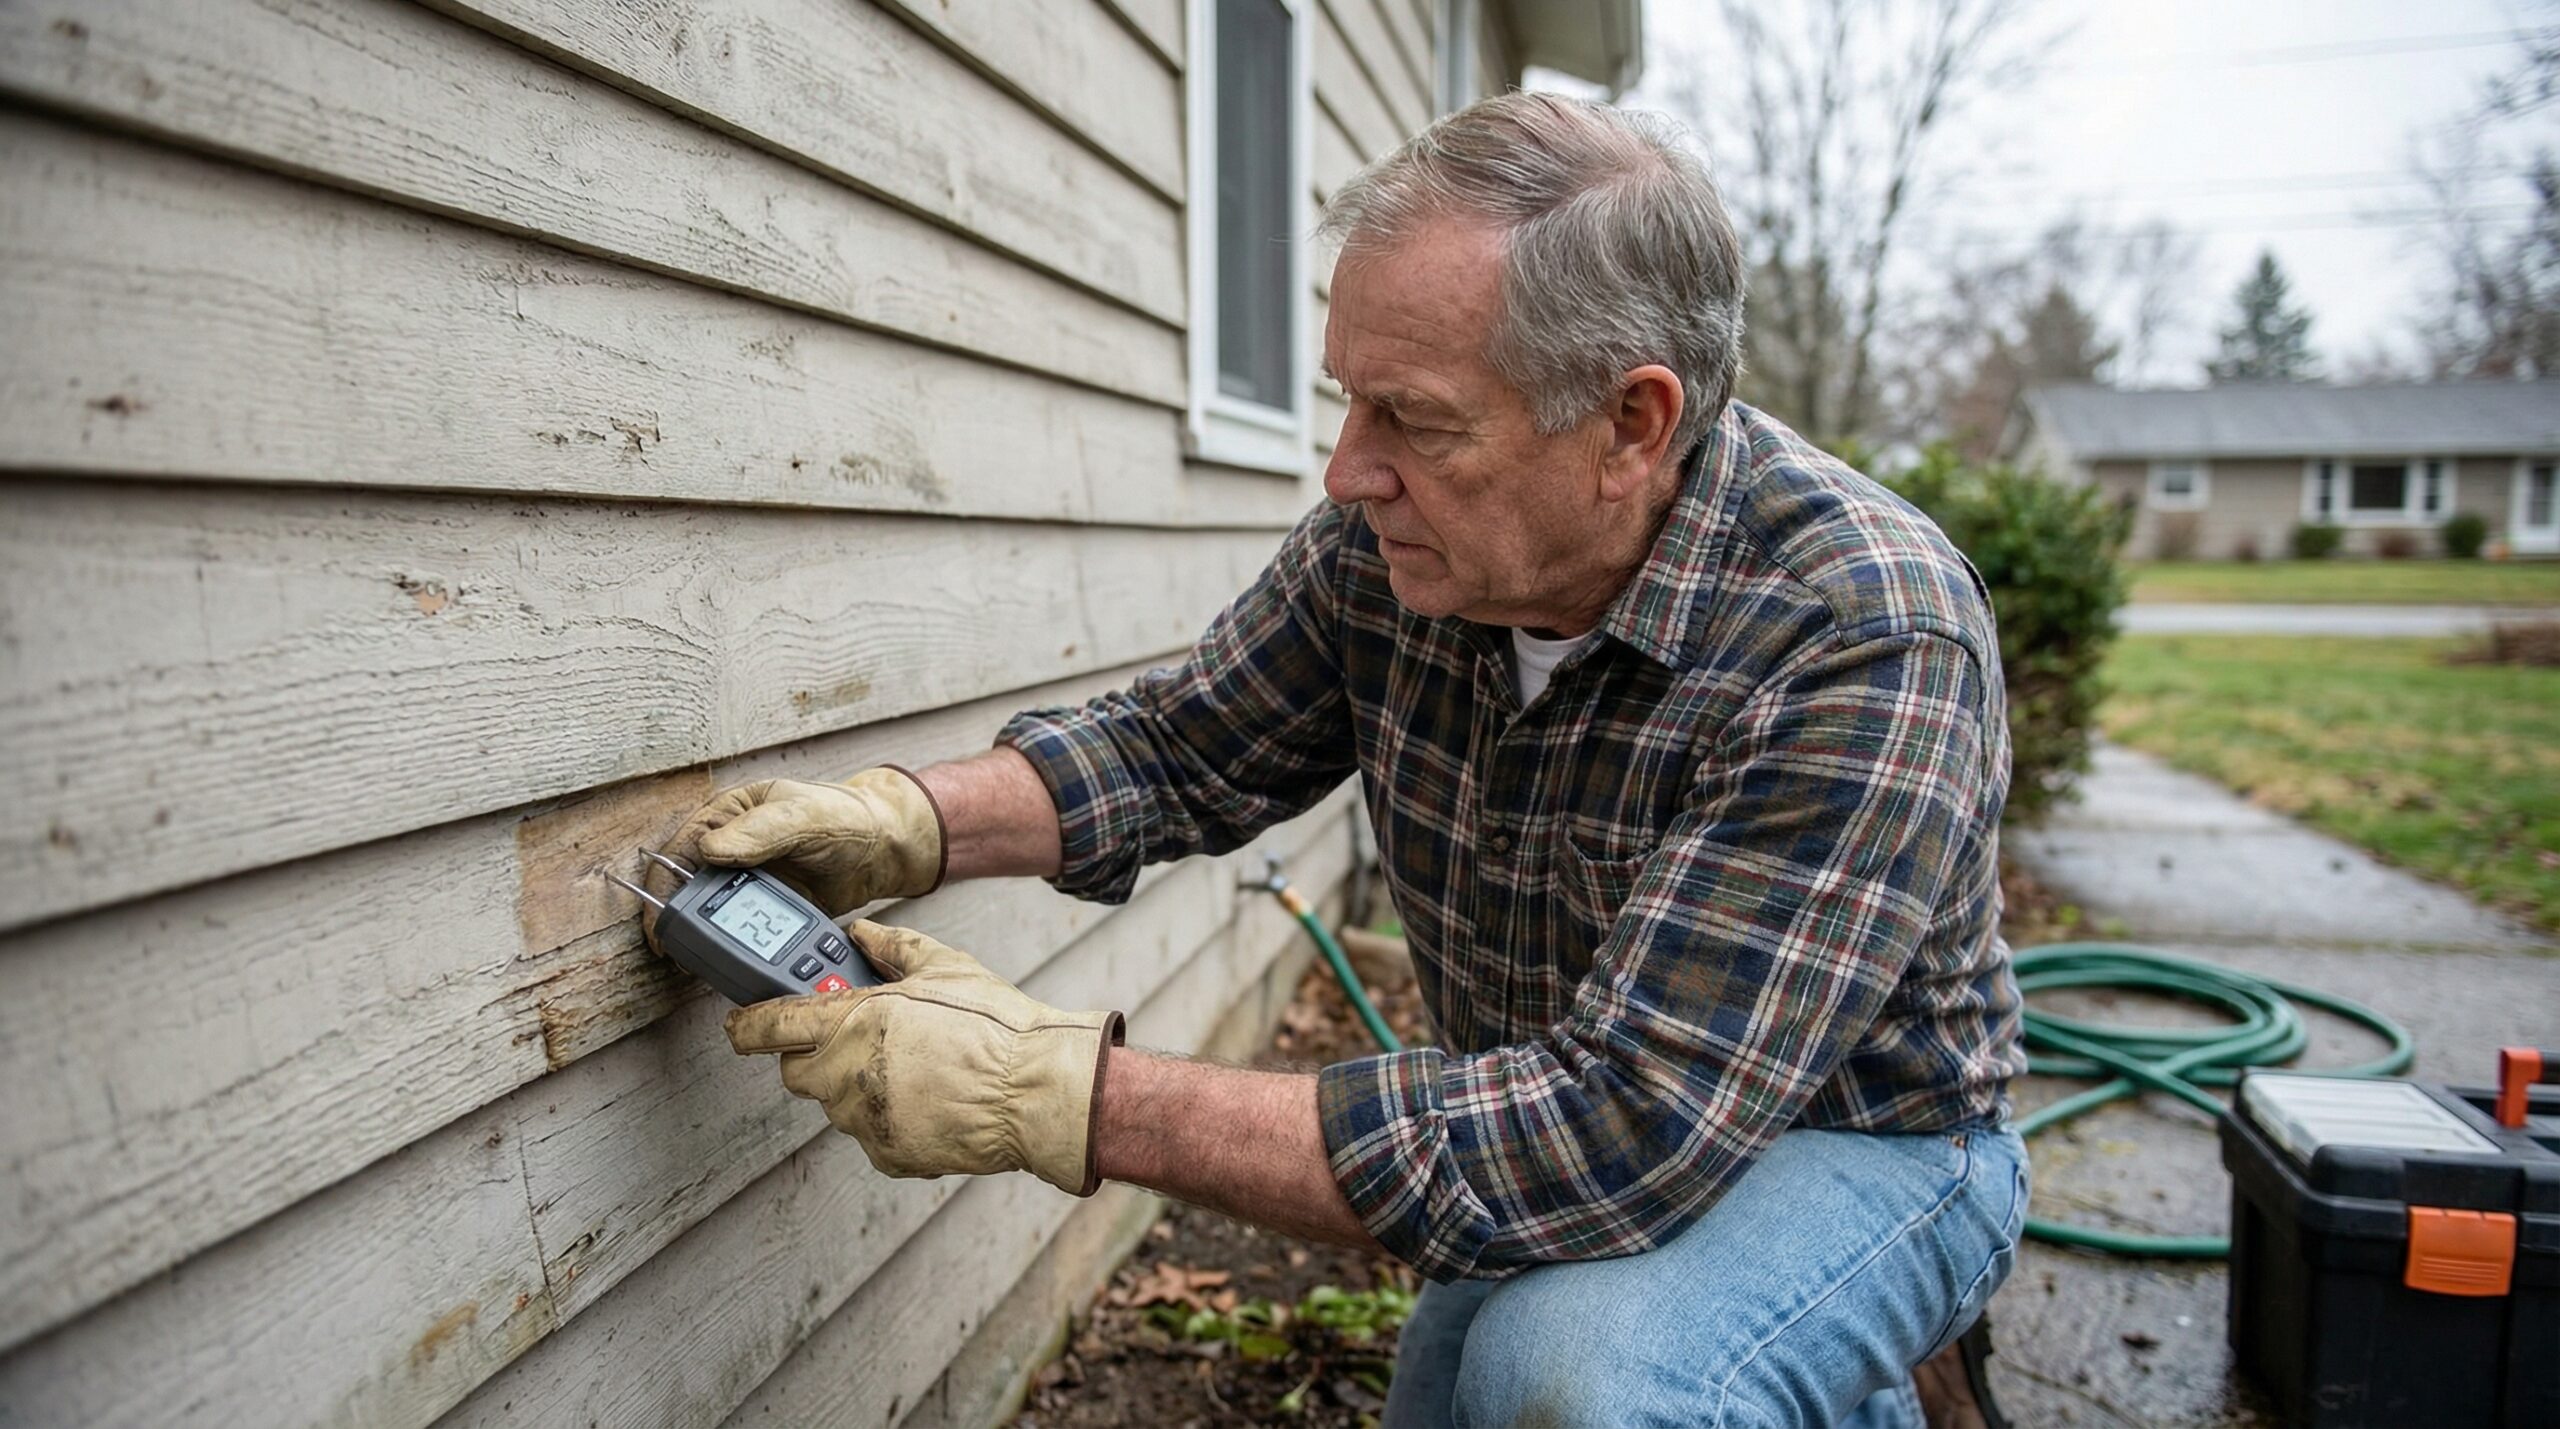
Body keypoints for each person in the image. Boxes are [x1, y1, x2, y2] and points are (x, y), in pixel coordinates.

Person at [659, 91, 2028, 1428]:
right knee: (1465, 1393)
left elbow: (1622, 1125)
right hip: (1561, 1106)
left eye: (1415, 418)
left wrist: (1058, 1092)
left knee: (1585, 1383)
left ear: (1632, 424)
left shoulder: (1860, 635)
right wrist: (902, 823)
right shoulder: (1402, 549)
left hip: (1865, 1141)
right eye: (1347, 401)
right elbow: (1175, 751)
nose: (1345, 470)